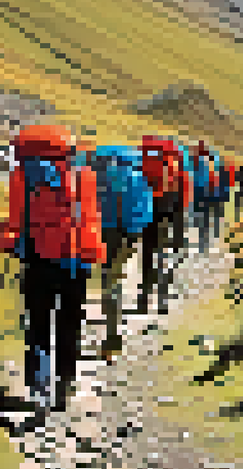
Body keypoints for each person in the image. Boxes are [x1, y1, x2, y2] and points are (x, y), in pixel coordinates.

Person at [0, 125, 104, 412]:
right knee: (70, 325)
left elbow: (17, 220)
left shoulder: (23, 178)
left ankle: (38, 390)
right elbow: (91, 218)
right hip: (77, 262)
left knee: (38, 325)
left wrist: (3, 239)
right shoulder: (86, 177)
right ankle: (63, 388)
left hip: (38, 261)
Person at [91, 144, 153, 361]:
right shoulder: (140, 179)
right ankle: (112, 338)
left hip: (104, 233)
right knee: (115, 281)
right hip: (128, 237)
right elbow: (146, 215)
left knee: (105, 279)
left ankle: (107, 328)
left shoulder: (99, 178)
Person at [138, 136, 191, 315]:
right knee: (163, 258)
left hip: (147, 215)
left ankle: (143, 299)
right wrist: (180, 229)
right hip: (168, 215)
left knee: (146, 256)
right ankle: (162, 300)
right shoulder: (177, 167)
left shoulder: (142, 163)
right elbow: (183, 199)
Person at [189, 141, 221, 255]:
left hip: (198, 191)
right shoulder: (210, 162)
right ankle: (203, 242)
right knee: (203, 217)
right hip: (206, 192)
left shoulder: (195, 161)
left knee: (198, 216)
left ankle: (201, 241)